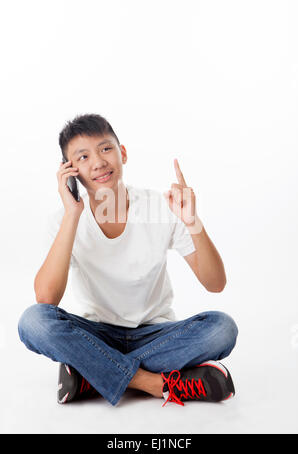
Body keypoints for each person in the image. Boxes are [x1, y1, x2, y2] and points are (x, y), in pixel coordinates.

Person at [18, 113, 238, 407]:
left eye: (105, 149)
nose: (98, 162)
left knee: (222, 328)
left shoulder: (158, 207)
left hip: (157, 333)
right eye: (83, 157)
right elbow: (46, 298)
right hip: (96, 333)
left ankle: (90, 372)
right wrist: (73, 214)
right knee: (33, 321)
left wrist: (192, 221)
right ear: (69, 171)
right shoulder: (63, 221)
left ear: (122, 153)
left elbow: (216, 283)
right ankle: (152, 383)